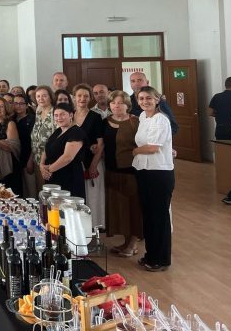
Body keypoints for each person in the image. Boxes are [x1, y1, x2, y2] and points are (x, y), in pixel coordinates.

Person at [132, 86, 175, 271]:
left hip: (159, 172)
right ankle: (151, 255)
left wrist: (135, 151)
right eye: (141, 98)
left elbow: (153, 147)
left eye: (149, 98)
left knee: (159, 216)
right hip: (144, 170)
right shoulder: (143, 116)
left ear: (157, 100)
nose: (145, 101)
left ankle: (161, 259)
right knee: (149, 215)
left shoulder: (161, 119)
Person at [102, 91, 142, 257]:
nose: (116, 106)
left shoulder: (135, 121)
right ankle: (126, 241)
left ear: (127, 105)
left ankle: (133, 243)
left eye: (120, 103)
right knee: (120, 209)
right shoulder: (105, 122)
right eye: (113, 103)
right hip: (112, 170)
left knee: (134, 208)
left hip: (131, 171)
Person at [72, 84, 106, 228]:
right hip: (74, 163)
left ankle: (94, 227)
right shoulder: (69, 115)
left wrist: (93, 166)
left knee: (93, 197)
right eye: (79, 95)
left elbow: (100, 144)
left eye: (86, 96)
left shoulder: (95, 117)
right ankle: (80, 227)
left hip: (93, 162)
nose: (82, 98)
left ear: (90, 98)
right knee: (78, 197)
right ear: (74, 98)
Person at [40, 102, 85, 198]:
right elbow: (47, 148)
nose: (59, 118)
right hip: (53, 175)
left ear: (71, 115)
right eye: (56, 115)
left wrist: (48, 170)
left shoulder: (76, 132)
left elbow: (67, 157)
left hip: (69, 177)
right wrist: (41, 165)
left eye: (62, 114)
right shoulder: (58, 131)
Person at [14, 93, 36, 198]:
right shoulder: (11, 119)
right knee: (20, 191)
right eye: (15, 103)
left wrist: (30, 160)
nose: (18, 106)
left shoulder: (32, 119)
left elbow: (35, 141)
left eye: (21, 103)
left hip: (28, 158)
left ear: (27, 105)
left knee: (31, 192)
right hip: (15, 159)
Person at [208, 76, 231, 140]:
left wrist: (220, 115)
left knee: (221, 146)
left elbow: (209, 112)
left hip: (220, 130)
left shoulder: (216, 96)